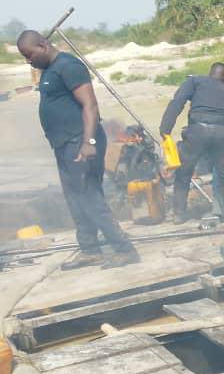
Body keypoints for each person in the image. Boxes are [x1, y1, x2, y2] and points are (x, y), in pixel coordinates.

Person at [16, 30, 140, 269]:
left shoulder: (69, 66)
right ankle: (89, 249)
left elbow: (90, 106)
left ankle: (125, 249)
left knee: (89, 196)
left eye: (29, 55)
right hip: (64, 145)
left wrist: (88, 142)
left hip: (79, 142)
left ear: (42, 45)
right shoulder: (48, 71)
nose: (28, 61)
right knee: (74, 198)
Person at [159, 62, 224, 223]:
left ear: (210, 73)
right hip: (222, 135)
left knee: (183, 173)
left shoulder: (195, 81)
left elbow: (177, 102)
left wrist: (165, 129)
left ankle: (179, 214)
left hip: (196, 132)